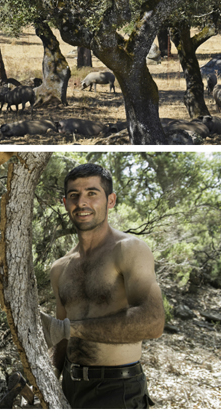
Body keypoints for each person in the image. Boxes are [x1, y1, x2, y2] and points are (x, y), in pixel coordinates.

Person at [40, 163, 164, 408]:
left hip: (117, 388)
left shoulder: (129, 250)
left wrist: (69, 329)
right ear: (65, 202)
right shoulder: (60, 268)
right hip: (69, 386)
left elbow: (153, 322)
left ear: (111, 200)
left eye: (92, 193)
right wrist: (51, 378)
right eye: (74, 195)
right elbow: (62, 335)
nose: (82, 202)